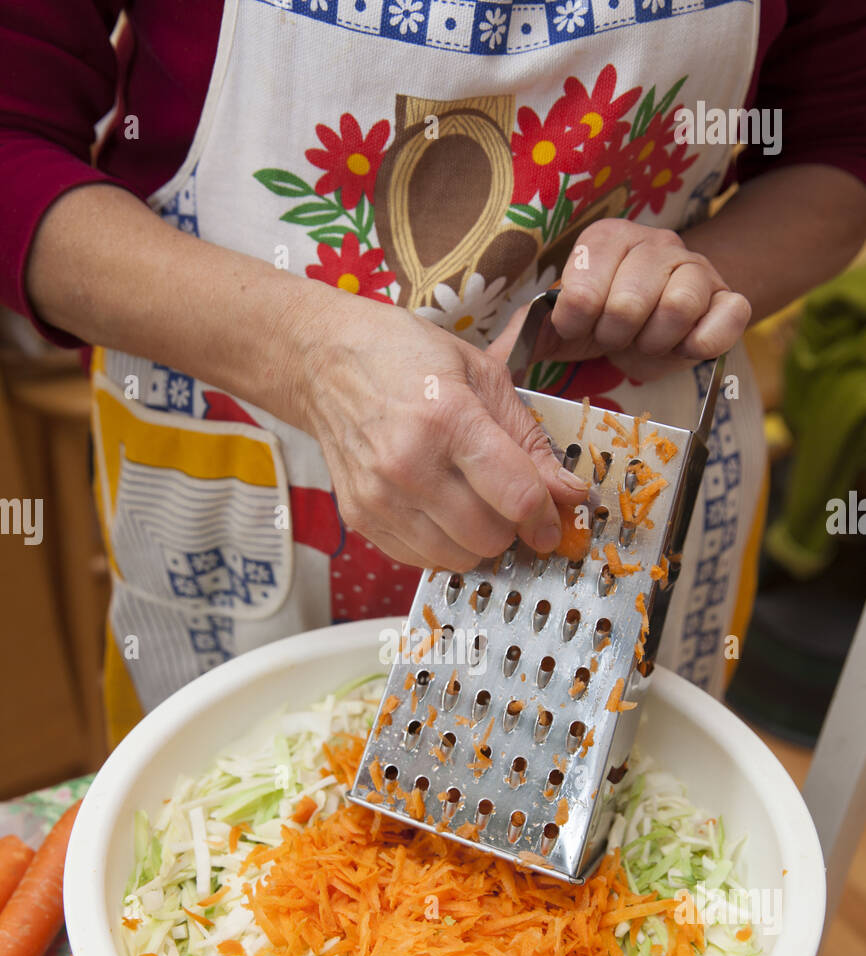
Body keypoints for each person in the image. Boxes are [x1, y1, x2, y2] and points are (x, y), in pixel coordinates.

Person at [2, 1, 865, 745]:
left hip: (619, 478)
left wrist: (684, 280)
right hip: (251, 454)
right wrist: (310, 356)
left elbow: (835, 153)